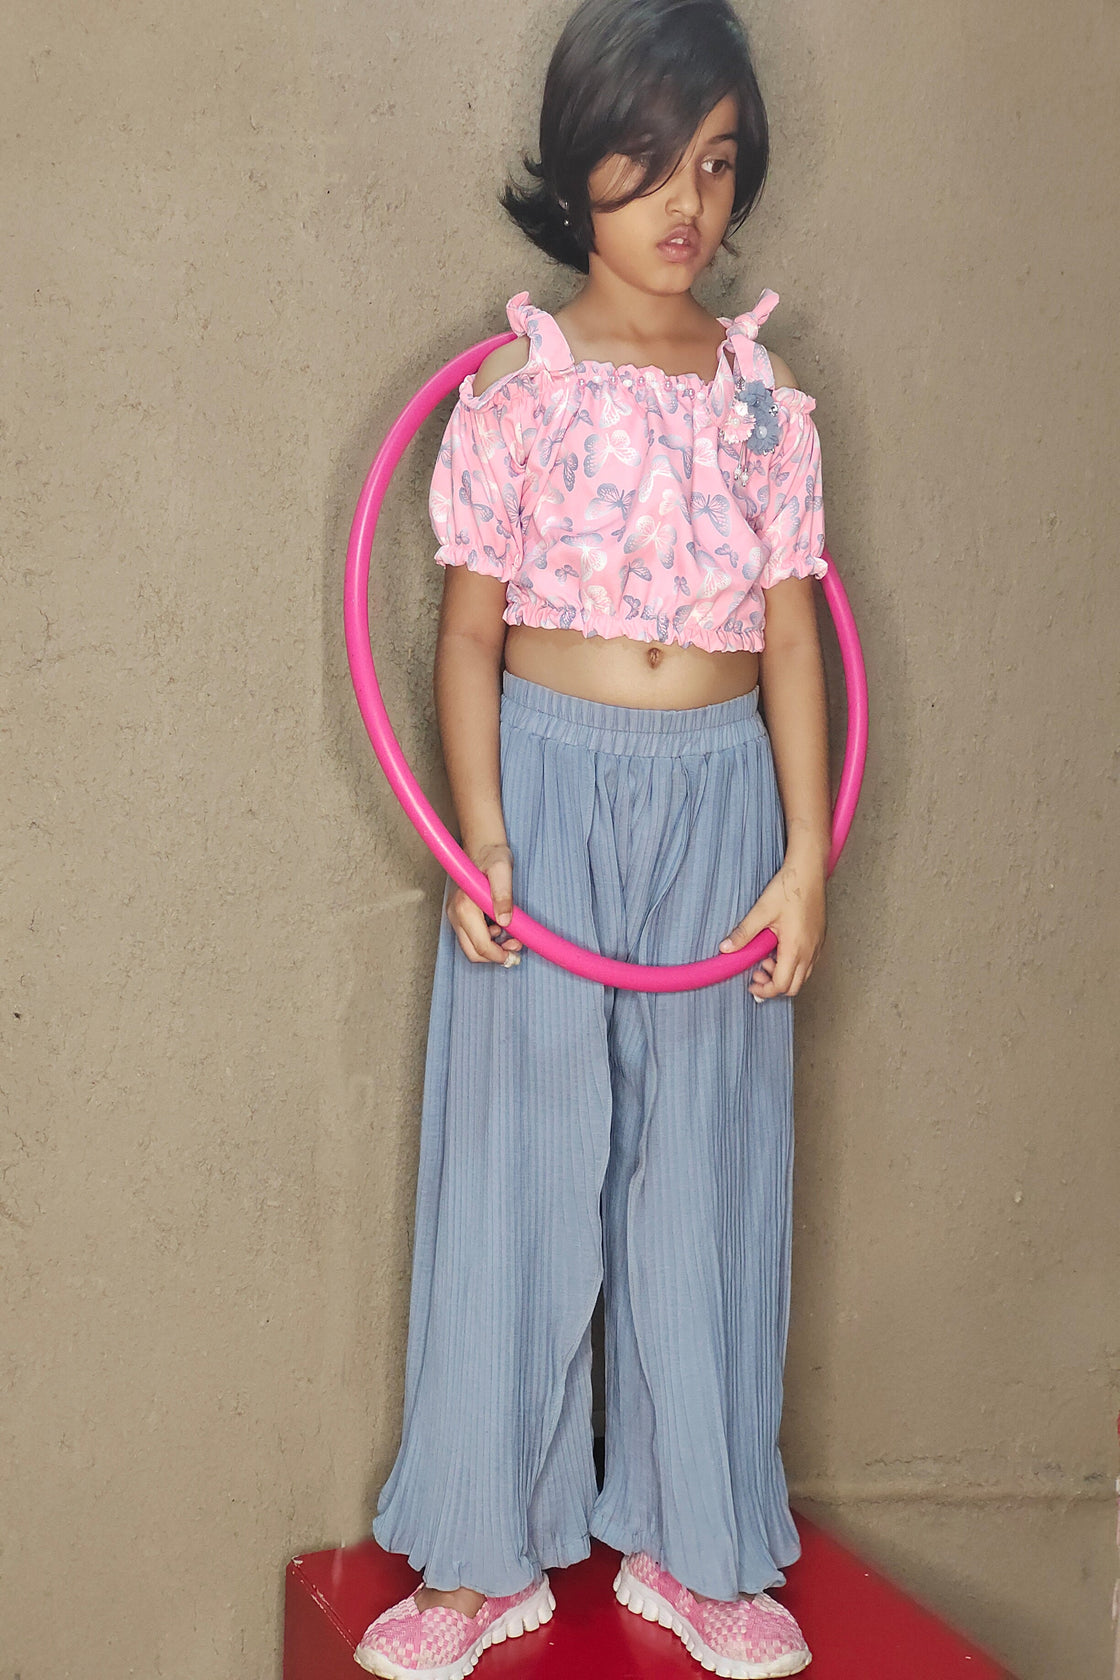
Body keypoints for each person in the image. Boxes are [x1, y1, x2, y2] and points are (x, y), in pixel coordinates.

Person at [355, 2, 830, 1675]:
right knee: (524, 1156)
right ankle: (481, 1551)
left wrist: (805, 859)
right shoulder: (515, 396)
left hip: (720, 798)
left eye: (717, 163)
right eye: (651, 158)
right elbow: (466, 637)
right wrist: (482, 839)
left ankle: (693, 1544)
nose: (686, 201)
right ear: (578, 171)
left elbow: (791, 638)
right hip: (546, 798)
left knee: (704, 1158)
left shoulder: (766, 399)